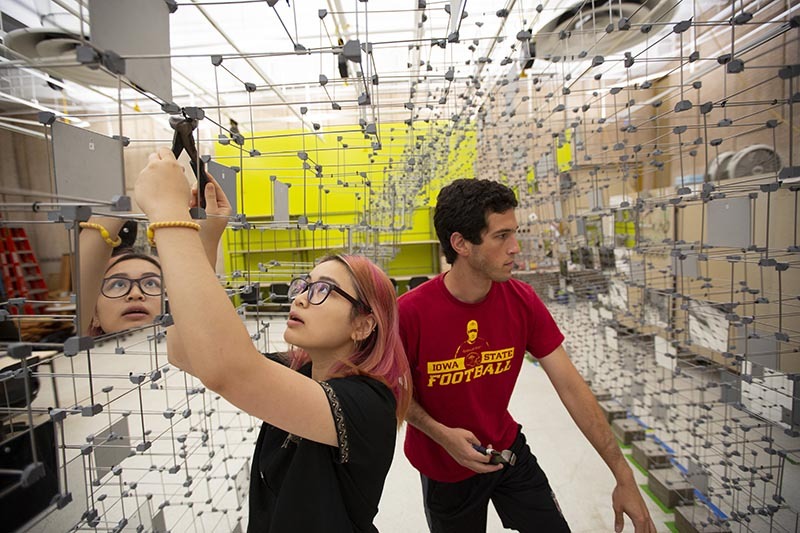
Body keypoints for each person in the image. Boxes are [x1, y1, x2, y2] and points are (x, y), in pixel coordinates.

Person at [134, 147, 411, 532]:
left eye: (322, 291)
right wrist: (207, 235)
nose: (299, 297)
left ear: (364, 325)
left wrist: (168, 215)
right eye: (304, 286)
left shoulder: (367, 404)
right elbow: (185, 351)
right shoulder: (302, 369)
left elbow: (228, 370)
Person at [398, 178, 655, 533]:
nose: (516, 247)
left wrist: (622, 474)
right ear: (461, 244)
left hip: (506, 449)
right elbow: (395, 390)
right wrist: (440, 434)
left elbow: (571, 386)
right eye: (501, 236)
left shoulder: (522, 301)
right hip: (444, 464)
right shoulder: (410, 314)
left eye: (514, 233)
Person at [78, 174, 230, 337]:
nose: (135, 294)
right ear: (94, 316)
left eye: (150, 283)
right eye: (118, 284)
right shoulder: (81, 358)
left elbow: (197, 329)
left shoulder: (181, 354)